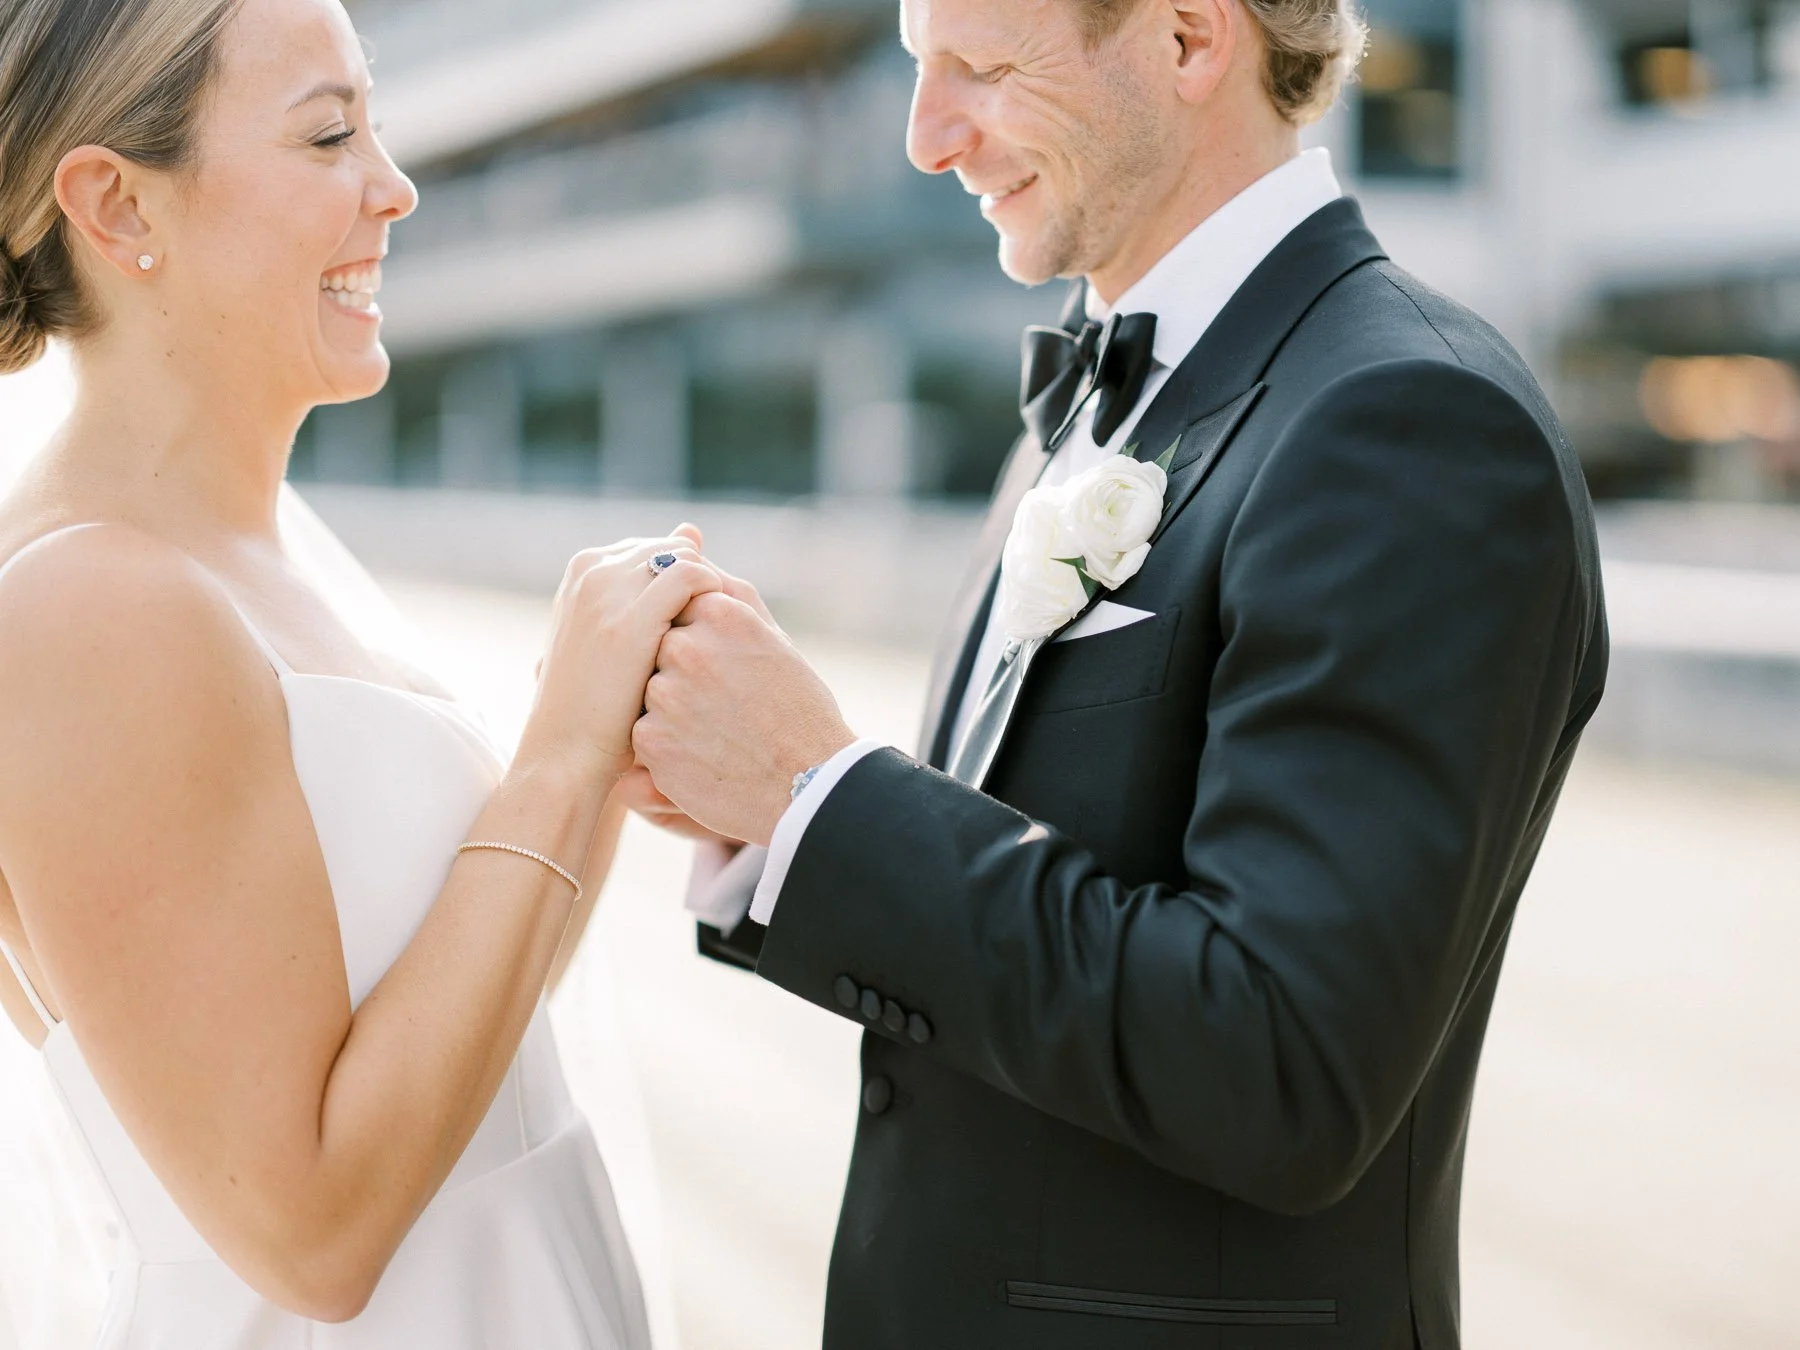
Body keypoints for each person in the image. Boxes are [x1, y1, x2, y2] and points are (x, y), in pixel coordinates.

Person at [625, 0, 1609, 1346]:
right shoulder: (1088, 406)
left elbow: (1282, 1062)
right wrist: (766, 810)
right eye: (917, 69)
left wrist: (824, 793)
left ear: (1190, 39)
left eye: (980, 68)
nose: (925, 137)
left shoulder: (1413, 422)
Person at [0, 0, 721, 1343]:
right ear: (117, 204)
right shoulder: (84, 605)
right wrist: (555, 757)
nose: (394, 188)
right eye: (330, 135)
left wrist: (598, 761)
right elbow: (313, 1234)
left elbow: (462, 1042)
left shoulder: (257, 558)